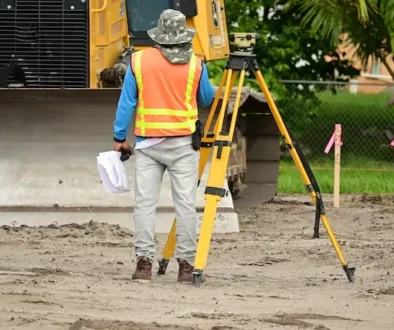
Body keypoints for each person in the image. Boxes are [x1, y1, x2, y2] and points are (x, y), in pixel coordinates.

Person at [112, 9, 215, 283]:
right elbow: (205, 98)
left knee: (145, 205)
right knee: (185, 206)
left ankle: (143, 265)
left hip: (148, 145)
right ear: (183, 35)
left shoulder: (138, 61)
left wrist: (119, 137)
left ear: (158, 35)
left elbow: (127, 104)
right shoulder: (196, 64)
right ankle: (186, 267)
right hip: (184, 146)